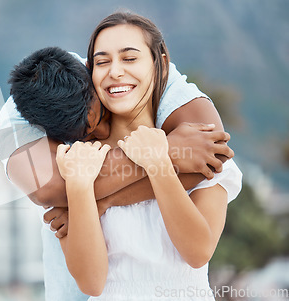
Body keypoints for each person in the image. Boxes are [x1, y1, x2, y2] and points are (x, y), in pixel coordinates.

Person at [54, 11, 242, 300]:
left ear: (160, 63)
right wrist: (79, 188)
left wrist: (158, 163)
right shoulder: (81, 158)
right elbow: (92, 283)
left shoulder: (197, 150)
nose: (115, 71)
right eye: (102, 62)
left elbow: (197, 252)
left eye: (129, 58)